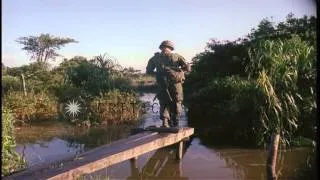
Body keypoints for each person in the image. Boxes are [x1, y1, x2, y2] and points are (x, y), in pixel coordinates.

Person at [146, 40, 190, 127]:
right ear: (171, 48)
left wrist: (159, 74)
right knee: (177, 101)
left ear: (161, 47)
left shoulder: (154, 58)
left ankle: (165, 123)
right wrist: (179, 71)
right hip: (176, 84)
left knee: (164, 102)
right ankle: (175, 122)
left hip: (162, 84)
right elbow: (188, 68)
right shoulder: (177, 56)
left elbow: (149, 71)